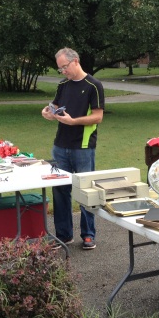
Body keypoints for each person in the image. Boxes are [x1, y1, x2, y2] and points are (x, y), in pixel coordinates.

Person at [41, 47, 105, 250]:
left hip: (83, 146)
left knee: (85, 191)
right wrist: (48, 112)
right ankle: (63, 235)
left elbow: (98, 117)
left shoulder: (94, 85)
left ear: (75, 61)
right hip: (60, 145)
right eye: (60, 69)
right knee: (60, 191)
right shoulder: (63, 85)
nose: (63, 71)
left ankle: (88, 235)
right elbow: (54, 106)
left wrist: (73, 121)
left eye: (65, 67)